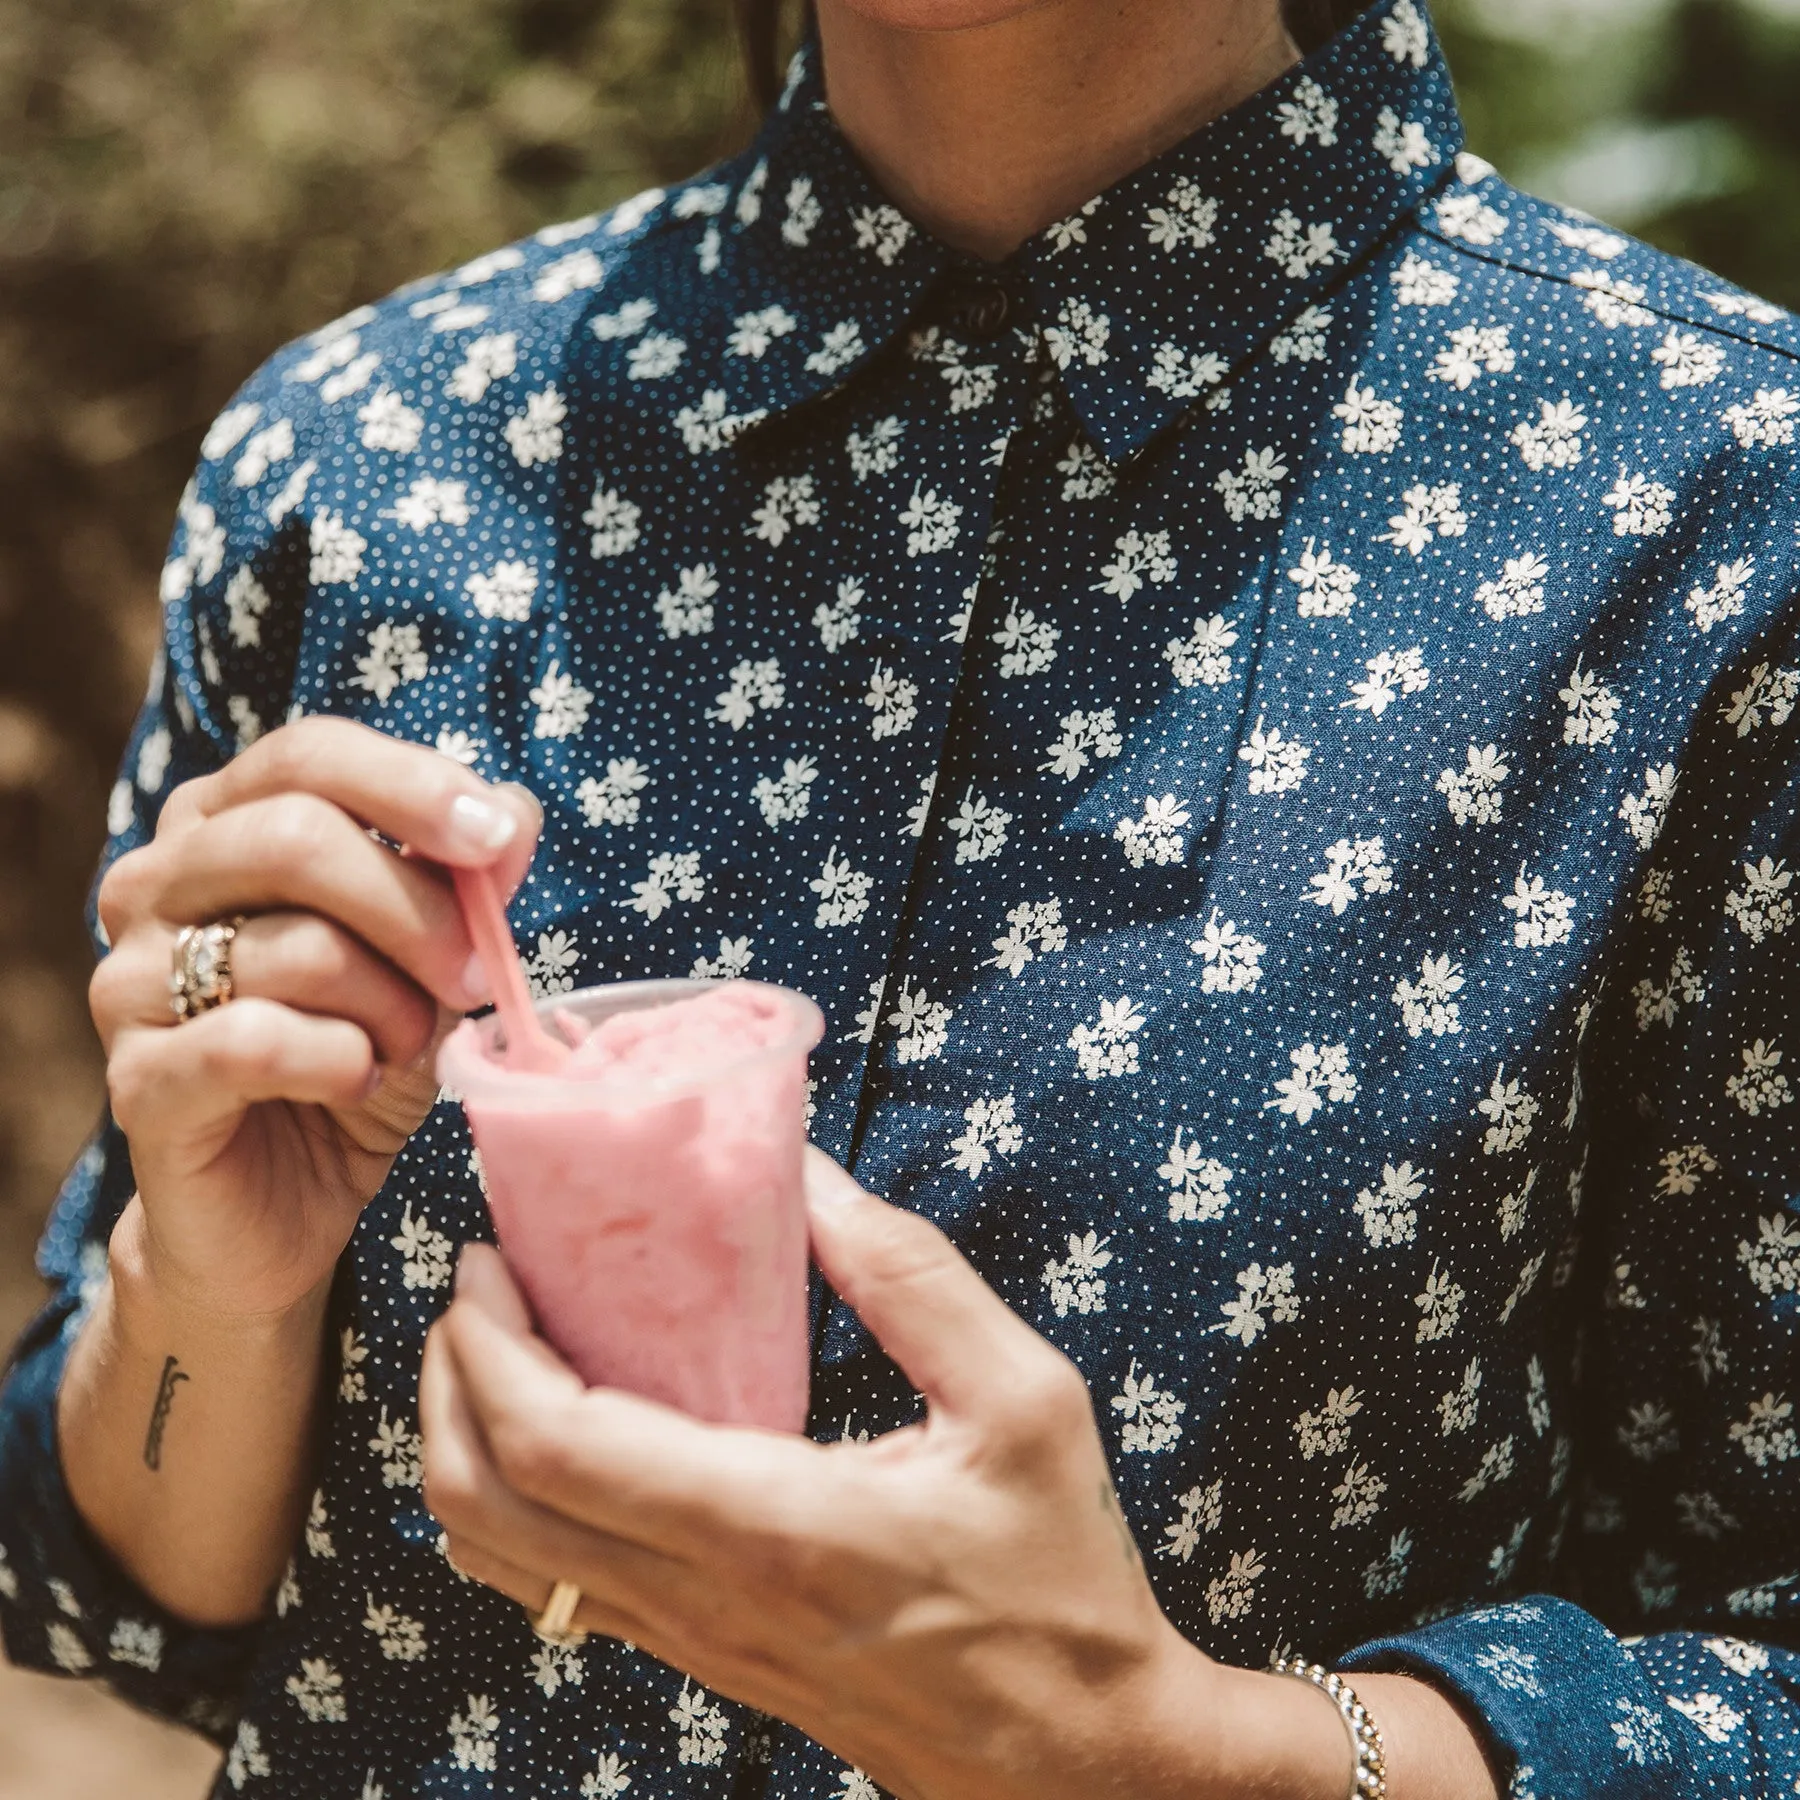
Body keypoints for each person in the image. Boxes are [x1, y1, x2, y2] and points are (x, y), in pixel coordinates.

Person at [2, 0, 1797, 1792]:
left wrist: (1179, 1755)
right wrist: (206, 1300)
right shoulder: (364, 462)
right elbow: (115, 1605)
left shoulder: (1722, 520)